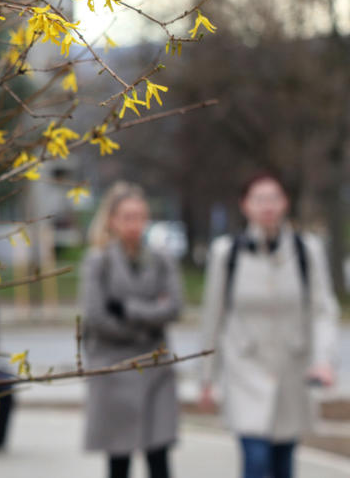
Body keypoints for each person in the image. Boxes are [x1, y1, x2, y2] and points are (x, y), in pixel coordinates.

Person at [199, 173, 339, 478]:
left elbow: (322, 310)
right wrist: (206, 377)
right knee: (256, 458)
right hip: (245, 369)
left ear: (285, 203)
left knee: (283, 460)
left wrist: (323, 361)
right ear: (245, 205)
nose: (267, 206)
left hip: (292, 368)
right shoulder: (227, 253)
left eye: (274, 198)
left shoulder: (306, 251)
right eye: (259, 199)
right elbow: (213, 317)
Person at [80, 182, 182, 478]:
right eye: (127, 217)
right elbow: (97, 316)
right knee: (119, 457)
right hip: (114, 369)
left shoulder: (161, 259)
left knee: (159, 454)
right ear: (112, 220)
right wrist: (149, 320)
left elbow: (174, 307)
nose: (134, 224)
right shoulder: (99, 261)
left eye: (139, 216)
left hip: (156, 368)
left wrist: (126, 309)